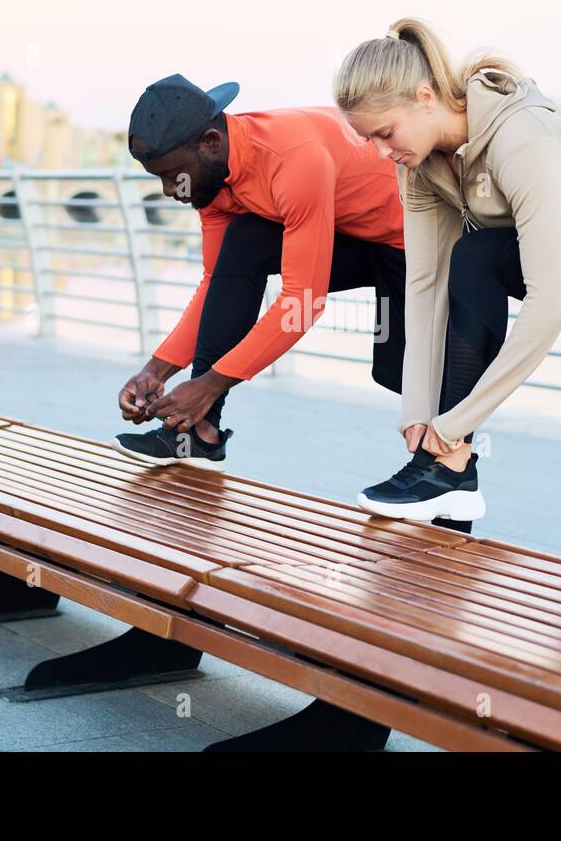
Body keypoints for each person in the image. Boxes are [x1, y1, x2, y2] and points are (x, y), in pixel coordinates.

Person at [112, 72, 450, 751]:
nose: (168, 191)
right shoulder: (210, 180)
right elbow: (216, 285)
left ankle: (449, 492)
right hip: (356, 230)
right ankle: (199, 435)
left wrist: (207, 381)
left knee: (413, 385)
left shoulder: (295, 158)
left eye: (171, 176)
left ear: (210, 142)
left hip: (413, 238)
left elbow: (303, 300)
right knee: (237, 249)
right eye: (156, 179)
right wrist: (160, 369)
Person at [334, 18, 561, 589]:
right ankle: (445, 603)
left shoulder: (519, 136)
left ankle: (454, 467)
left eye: (385, 133)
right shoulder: (423, 166)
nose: (381, 152)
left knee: (478, 256)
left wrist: (455, 427)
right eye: (369, 140)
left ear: (425, 98)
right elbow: (424, 285)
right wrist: (417, 412)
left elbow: (549, 300)